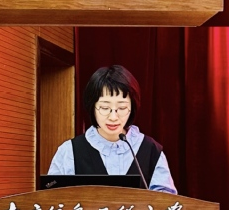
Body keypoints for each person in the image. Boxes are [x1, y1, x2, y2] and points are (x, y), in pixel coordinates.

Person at [48, 64, 176, 192]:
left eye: (122, 108)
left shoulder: (151, 150)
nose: (113, 117)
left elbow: (167, 201)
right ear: (92, 107)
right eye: (105, 108)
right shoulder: (69, 151)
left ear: (132, 107)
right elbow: (52, 198)